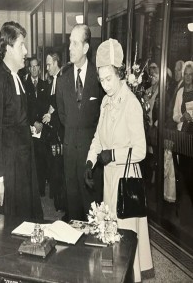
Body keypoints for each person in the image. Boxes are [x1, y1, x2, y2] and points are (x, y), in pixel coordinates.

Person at [85, 38, 154, 282]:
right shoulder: (106, 102)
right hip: (109, 178)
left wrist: (112, 155)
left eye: (109, 79)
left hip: (126, 179)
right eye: (101, 80)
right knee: (110, 234)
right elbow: (98, 137)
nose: (105, 86)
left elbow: (141, 150)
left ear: (120, 74)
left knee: (125, 241)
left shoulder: (132, 104)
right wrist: (90, 161)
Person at [0, 21, 43, 219]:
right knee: (13, 226)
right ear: (8, 49)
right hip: (9, 171)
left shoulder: (17, 77)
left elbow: (16, 119)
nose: (26, 51)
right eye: (21, 45)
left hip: (24, 165)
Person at [56, 24, 104, 221]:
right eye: (69, 43)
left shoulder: (99, 77)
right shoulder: (62, 78)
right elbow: (63, 115)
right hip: (69, 153)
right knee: (73, 206)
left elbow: (101, 117)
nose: (70, 48)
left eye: (75, 43)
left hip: (90, 155)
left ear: (85, 48)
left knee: (92, 207)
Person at [23, 57, 50, 196]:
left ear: (39, 68)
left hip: (42, 129)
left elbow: (47, 106)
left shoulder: (45, 85)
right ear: (29, 69)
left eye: (36, 66)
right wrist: (33, 122)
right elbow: (23, 108)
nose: (34, 69)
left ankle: (40, 190)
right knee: (30, 160)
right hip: (29, 127)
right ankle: (31, 191)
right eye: (31, 67)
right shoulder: (23, 84)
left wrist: (42, 124)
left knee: (41, 160)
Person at [43, 50, 66, 210]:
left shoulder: (63, 80)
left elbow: (64, 108)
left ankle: (62, 204)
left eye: (49, 64)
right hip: (53, 132)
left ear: (56, 63)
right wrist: (49, 113)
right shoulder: (53, 81)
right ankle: (58, 202)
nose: (47, 67)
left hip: (61, 133)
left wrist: (52, 116)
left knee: (60, 169)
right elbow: (53, 103)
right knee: (55, 168)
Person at [173, 61, 193, 205]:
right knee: (184, 170)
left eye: (190, 75)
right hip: (182, 134)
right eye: (185, 74)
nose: (187, 77)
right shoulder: (180, 92)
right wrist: (182, 117)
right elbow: (174, 115)